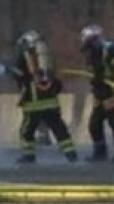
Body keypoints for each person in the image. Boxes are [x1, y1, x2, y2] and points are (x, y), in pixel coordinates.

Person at [6, 30, 78, 164]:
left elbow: (19, 74)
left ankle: (29, 156)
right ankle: (71, 154)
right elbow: (54, 78)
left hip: (33, 104)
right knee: (59, 129)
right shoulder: (47, 58)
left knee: (27, 132)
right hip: (51, 104)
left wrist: (9, 69)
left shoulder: (24, 56)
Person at [80, 24, 114, 163]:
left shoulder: (111, 50)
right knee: (94, 124)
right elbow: (95, 72)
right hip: (101, 93)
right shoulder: (92, 53)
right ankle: (100, 153)